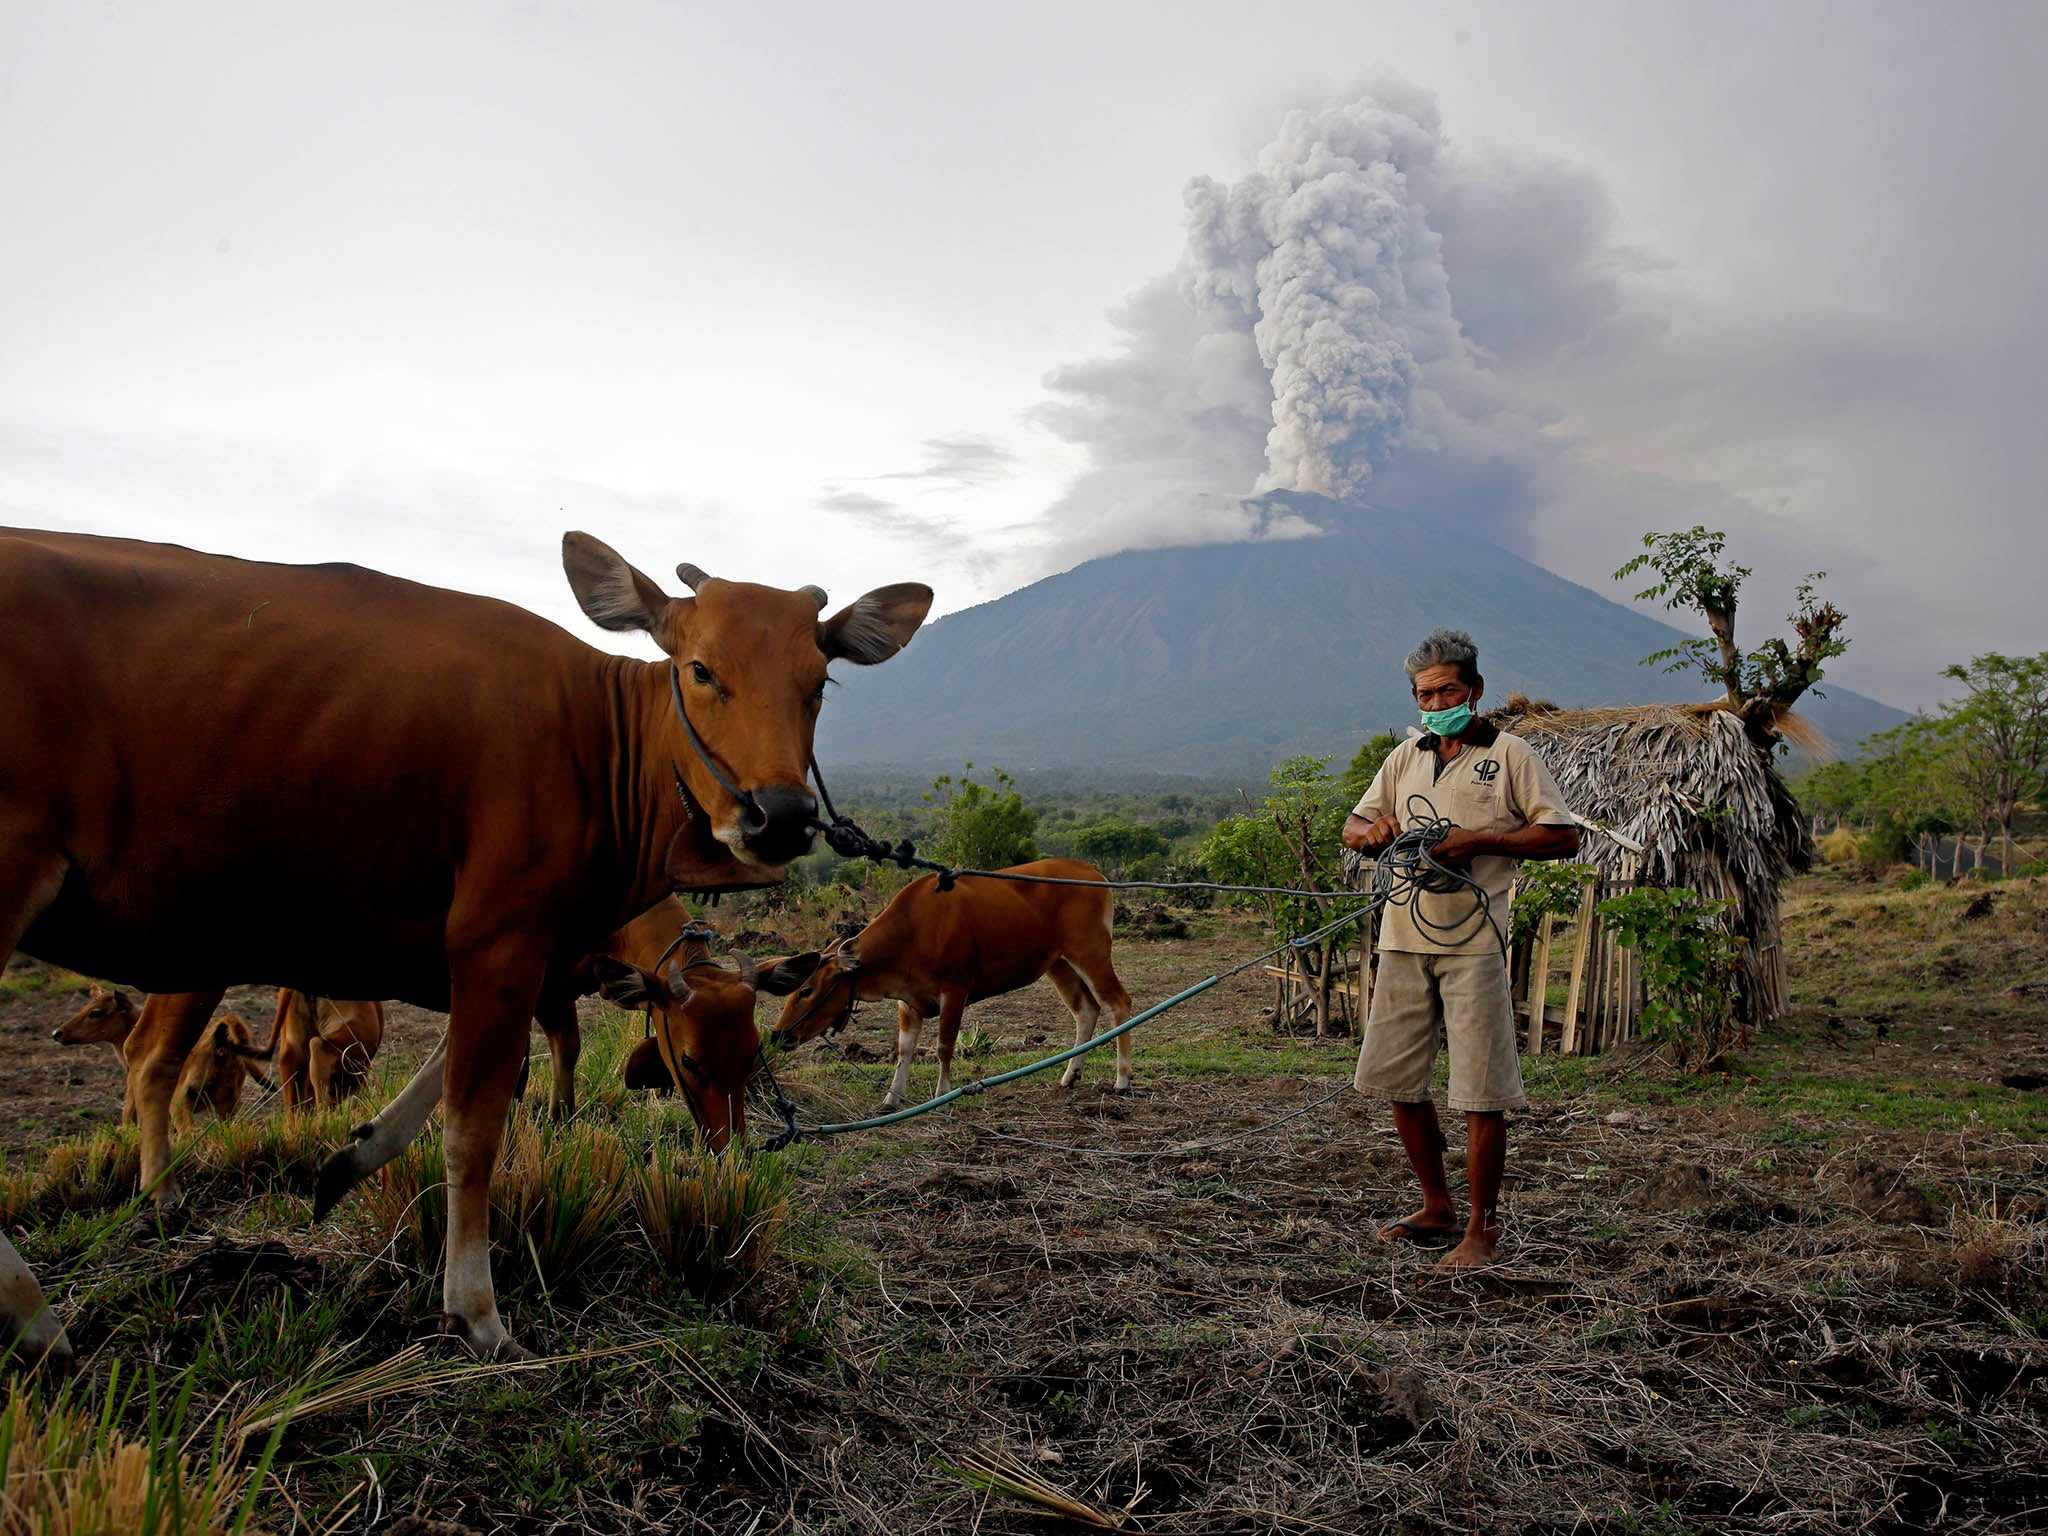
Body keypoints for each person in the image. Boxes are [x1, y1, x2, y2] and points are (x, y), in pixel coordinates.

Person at [1341, 628, 1580, 1270]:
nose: (1435, 700)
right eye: (1424, 692)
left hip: (1473, 943)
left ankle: (1482, 1229)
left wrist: (1483, 840)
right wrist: (1373, 831)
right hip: (1401, 937)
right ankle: (1435, 1206)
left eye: (1447, 689)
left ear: (1474, 690)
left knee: (1480, 1088)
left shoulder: (1510, 755)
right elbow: (1354, 823)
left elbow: (1562, 837)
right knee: (1398, 1079)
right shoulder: (1405, 757)